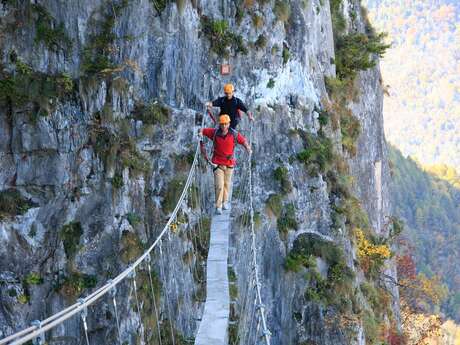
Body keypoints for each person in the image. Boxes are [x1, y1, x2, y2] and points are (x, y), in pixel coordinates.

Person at [199, 114, 252, 215]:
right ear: (220, 124)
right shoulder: (214, 133)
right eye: (222, 124)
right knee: (219, 185)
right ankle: (218, 206)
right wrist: (199, 133)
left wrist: (248, 148)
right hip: (217, 163)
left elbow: (243, 141)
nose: (224, 126)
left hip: (229, 164)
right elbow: (203, 130)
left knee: (227, 184)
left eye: (226, 124)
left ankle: (225, 202)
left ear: (229, 124)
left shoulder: (234, 134)